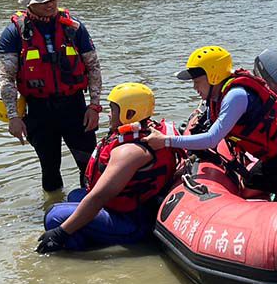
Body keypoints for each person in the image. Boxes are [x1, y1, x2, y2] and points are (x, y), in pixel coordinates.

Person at [143, 46, 277, 201]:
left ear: (213, 76)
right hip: (274, 158)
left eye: (197, 82)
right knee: (249, 192)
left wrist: (166, 140)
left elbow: (212, 139)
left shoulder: (236, 96)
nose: (194, 88)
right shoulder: (215, 97)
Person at [37, 83, 179, 253]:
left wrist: (59, 233)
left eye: (113, 109)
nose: (109, 114)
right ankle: (88, 235)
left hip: (133, 223)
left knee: (54, 216)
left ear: (130, 114)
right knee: (76, 195)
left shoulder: (129, 152)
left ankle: (79, 253)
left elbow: (99, 197)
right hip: (136, 209)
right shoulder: (151, 131)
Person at [0, 0, 103, 192]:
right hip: (39, 111)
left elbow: (93, 67)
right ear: (29, 2)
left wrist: (94, 106)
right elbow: (6, 78)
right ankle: (53, 210)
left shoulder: (73, 28)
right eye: (43, 1)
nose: (50, 4)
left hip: (75, 108)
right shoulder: (14, 33)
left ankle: (92, 214)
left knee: (90, 167)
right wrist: (13, 117)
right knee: (50, 169)